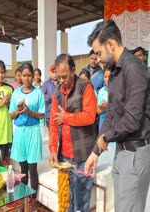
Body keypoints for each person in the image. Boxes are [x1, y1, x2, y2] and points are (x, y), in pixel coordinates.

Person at [84, 19, 150, 212]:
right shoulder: (114, 72)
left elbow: (131, 121)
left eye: (98, 52)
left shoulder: (134, 70)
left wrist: (105, 137)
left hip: (136, 153)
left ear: (111, 45)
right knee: (120, 207)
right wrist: (96, 150)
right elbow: (111, 113)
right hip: (121, 151)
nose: (97, 58)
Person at [49, 54, 97, 211]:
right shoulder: (57, 92)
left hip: (83, 156)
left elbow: (89, 117)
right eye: (59, 77)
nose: (62, 80)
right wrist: (52, 149)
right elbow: (54, 123)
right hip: (64, 155)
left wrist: (66, 117)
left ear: (73, 70)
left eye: (65, 76)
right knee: (66, 198)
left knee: (81, 202)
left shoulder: (85, 87)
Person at [9, 62, 45, 194]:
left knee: (32, 169)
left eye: (29, 75)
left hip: (33, 131)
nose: (26, 78)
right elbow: (11, 116)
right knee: (23, 168)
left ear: (33, 76)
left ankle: (33, 199)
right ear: (20, 76)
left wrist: (30, 112)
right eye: (24, 75)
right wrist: (18, 111)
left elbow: (42, 115)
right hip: (20, 133)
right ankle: (23, 198)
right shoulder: (16, 93)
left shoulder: (38, 93)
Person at [41, 64, 58, 129]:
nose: (54, 74)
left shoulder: (61, 83)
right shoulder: (46, 84)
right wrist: (51, 97)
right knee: (51, 133)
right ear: (50, 73)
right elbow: (42, 96)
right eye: (53, 72)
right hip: (49, 114)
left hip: (60, 114)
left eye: (56, 72)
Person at [96, 66, 111, 131]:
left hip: (114, 124)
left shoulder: (118, 90)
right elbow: (98, 111)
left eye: (109, 76)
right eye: (105, 77)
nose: (107, 79)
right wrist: (102, 109)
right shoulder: (101, 91)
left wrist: (107, 106)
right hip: (103, 124)